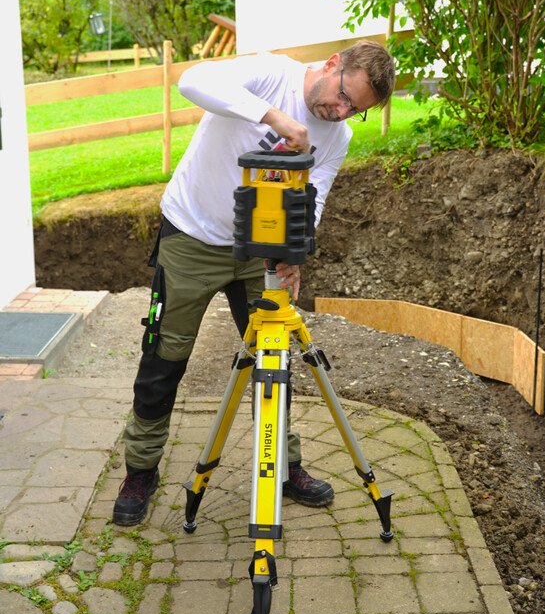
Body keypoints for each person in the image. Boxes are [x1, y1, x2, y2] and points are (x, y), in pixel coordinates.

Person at [112, 40, 396, 526]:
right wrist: (274, 118)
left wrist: (296, 252)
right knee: (165, 355)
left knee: (275, 359)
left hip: (259, 255)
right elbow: (192, 81)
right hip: (193, 235)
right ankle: (140, 469)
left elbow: (314, 194)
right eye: (345, 96)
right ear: (332, 65)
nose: (342, 111)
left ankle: (284, 468)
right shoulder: (270, 74)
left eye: (356, 110)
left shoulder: (338, 134)